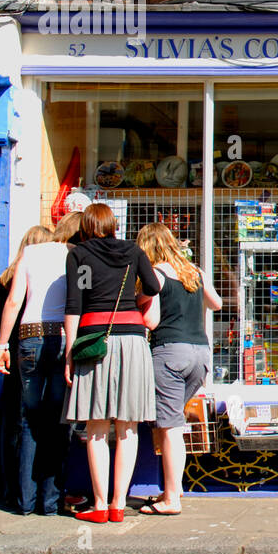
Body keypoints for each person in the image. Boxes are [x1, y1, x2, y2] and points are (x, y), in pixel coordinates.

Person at [64, 203, 162, 524]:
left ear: (87, 226)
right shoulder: (133, 252)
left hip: (95, 341)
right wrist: (135, 304)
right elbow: (154, 287)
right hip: (133, 341)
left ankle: (100, 504)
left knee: (95, 427)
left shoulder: (79, 255)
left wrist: (68, 352)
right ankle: (120, 505)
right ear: (113, 224)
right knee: (128, 426)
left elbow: (74, 306)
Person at [0, 213, 85, 515]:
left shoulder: (31, 253)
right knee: (59, 423)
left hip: (28, 339)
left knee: (28, 420)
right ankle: (50, 502)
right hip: (61, 339)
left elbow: (13, 302)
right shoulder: (76, 256)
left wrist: (2, 345)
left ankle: (24, 501)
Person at [136, 222, 221, 515]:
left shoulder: (156, 275)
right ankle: (175, 489)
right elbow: (217, 303)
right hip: (201, 353)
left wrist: (137, 301)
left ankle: (171, 498)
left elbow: (151, 321)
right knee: (173, 422)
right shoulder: (194, 271)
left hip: (170, 352)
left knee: (170, 427)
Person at [0, 225, 51, 510]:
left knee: (12, 422)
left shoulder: (4, 277)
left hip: (11, 354)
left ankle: (11, 488)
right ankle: (32, 490)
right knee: (32, 421)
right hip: (29, 349)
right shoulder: (36, 275)